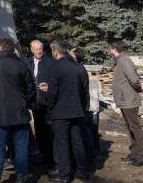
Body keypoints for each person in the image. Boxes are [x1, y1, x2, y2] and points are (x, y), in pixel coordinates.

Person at [0, 37, 35, 183]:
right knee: (20, 146)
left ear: (1, 48)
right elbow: (31, 89)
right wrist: (29, 105)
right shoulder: (22, 65)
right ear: (13, 50)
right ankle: (21, 175)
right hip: (19, 112)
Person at [41, 40, 91, 183]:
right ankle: (82, 171)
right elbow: (82, 90)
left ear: (55, 51)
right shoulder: (76, 67)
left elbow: (53, 93)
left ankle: (64, 175)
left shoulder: (55, 66)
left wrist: (49, 104)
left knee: (61, 144)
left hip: (60, 112)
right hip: (76, 110)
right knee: (77, 142)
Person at [110, 41, 143, 166]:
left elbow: (134, 79)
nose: (109, 51)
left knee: (135, 128)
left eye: (110, 49)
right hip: (124, 100)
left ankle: (141, 158)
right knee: (131, 128)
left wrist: (139, 89)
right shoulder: (120, 60)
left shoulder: (124, 60)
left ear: (114, 49)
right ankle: (134, 154)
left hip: (129, 100)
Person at [23, 39, 54, 165]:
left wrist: (49, 87)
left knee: (48, 129)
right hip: (35, 101)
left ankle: (49, 155)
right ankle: (41, 153)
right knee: (38, 128)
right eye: (36, 49)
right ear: (31, 50)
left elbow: (56, 80)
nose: (39, 51)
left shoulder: (50, 62)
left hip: (47, 101)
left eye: (40, 49)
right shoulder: (27, 62)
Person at [71, 47, 100, 160]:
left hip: (84, 107)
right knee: (88, 131)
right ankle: (92, 153)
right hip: (88, 106)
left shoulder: (78, 70)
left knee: (86, 131)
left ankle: (90, 155)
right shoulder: (80, 69)